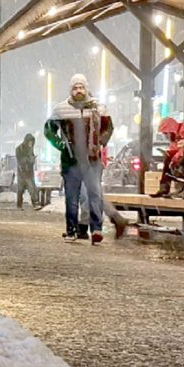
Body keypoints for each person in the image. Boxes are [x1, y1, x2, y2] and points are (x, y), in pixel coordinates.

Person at [44, 73, 113, 244]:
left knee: (95, 194)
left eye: (81, 87)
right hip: (71, 160)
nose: (79, 90)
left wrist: (100, 142)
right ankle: (71, 229)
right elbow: (48, 130)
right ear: (71, 90)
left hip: (92, 159)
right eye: (75, 88)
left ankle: (96, 228)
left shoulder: (99, 108)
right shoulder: (61, 109)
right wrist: (61, 144)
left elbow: (108, 127)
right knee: (71, 197)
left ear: (86, 88)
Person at [149, 117, 184, 197]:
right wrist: (169, 154)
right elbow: (174, 148)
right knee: (167, 159)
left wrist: (176, 156)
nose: (165, 135)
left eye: (165, 133)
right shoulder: (174, 135)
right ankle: (164, 188)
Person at [15, 133, 41, 210]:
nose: (31, 144)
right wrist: (29, 159)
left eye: (31, 142)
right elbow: (20, 160)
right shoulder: (20, 148)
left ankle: (35, 204)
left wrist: (32, 159)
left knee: (32, 188)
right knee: (20, 189)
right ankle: (19, 205)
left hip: (29, 172)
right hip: (22, 172)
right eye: (29, 142)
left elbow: (30, 159)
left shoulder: (30, 149)